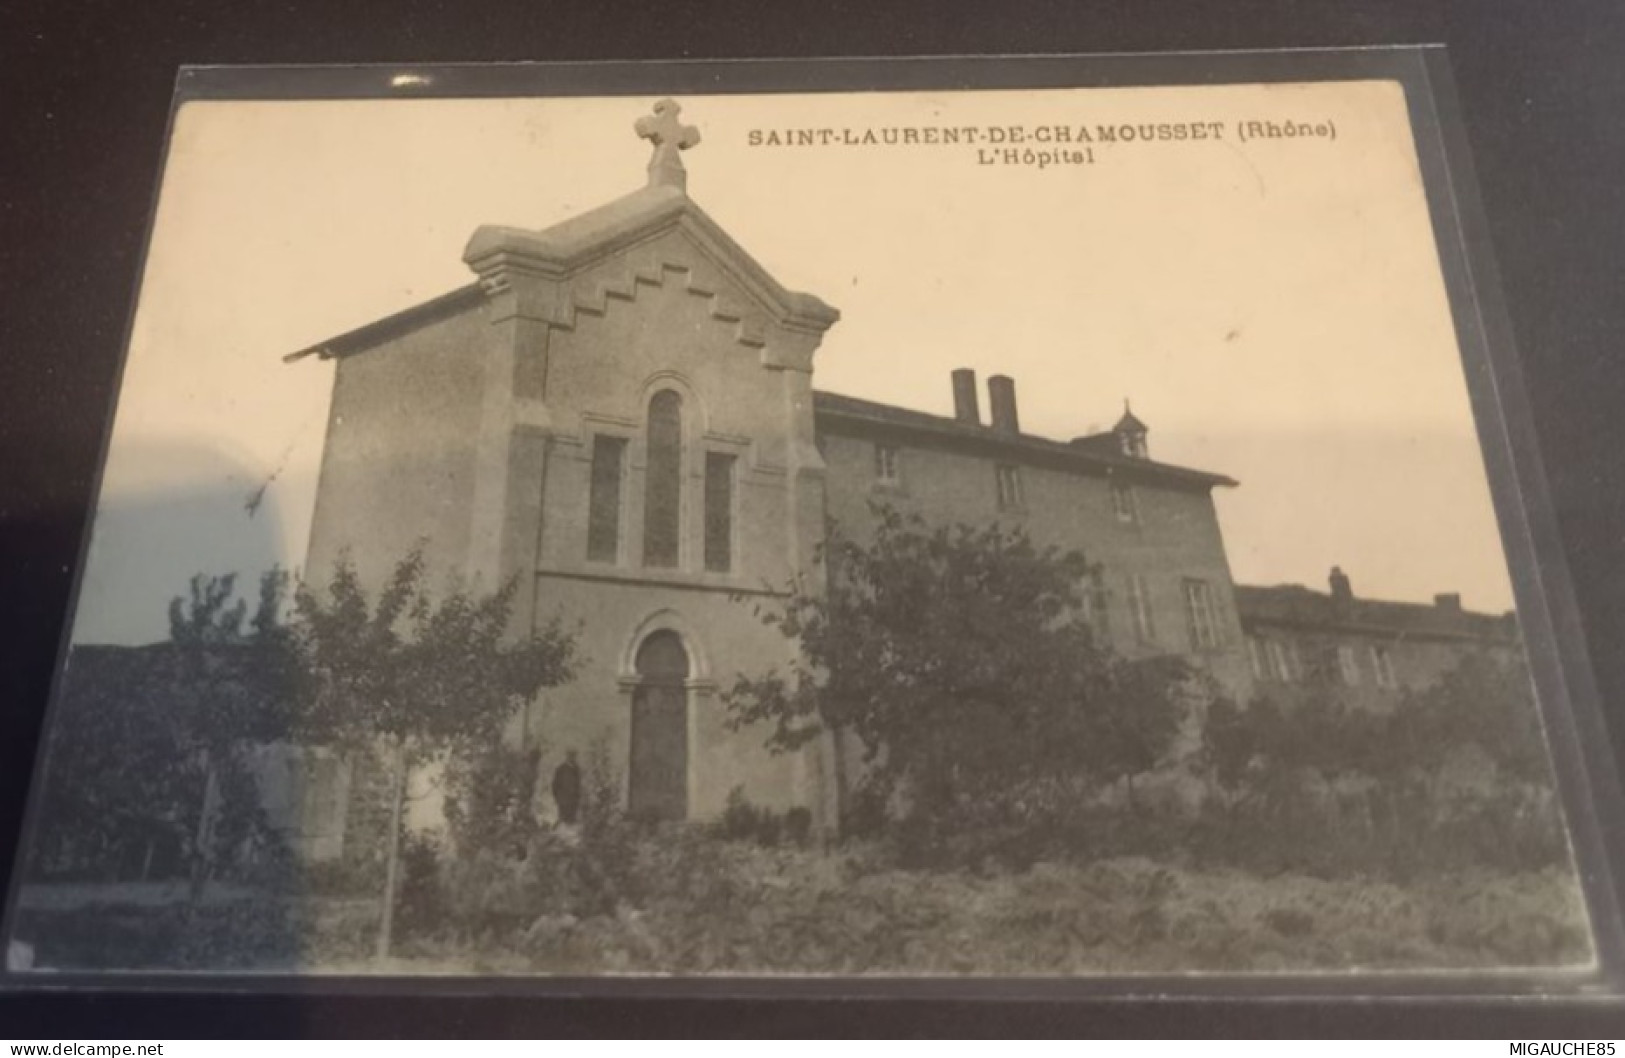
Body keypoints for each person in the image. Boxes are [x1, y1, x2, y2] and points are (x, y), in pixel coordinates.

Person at [551, 749, 583, 826]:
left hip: (574, 801)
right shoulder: (560, 769)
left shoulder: (577, 769)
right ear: (567, 756)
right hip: (563, 801)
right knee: (563, 821)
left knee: (572, 822)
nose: (572, 758)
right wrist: (558, 798)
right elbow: (554, 785)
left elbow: (579, 785)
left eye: (574, 756)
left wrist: (578, 797)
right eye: (570, 755)